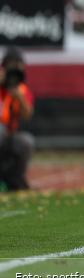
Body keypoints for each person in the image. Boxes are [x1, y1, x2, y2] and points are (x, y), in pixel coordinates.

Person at [0, 48, 35, 190]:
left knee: (26, 142)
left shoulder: (22, 89)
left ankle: (15, 180)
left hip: (10, 135)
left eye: (18, 65)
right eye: (11, 65)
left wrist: (18, 97)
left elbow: (27, 114)